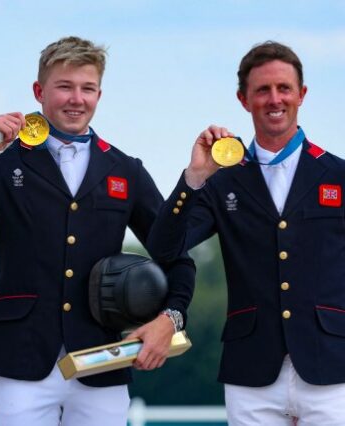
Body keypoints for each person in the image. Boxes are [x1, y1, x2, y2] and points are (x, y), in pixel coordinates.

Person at [0, 36, 194, 425]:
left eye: (87, 88)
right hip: (21, 359)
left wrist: (172, 318)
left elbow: (175, 254)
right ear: (39, 91)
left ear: (100, 94)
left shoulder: (125, 170)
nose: (76, 99)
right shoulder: (3, 162)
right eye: (64, 86)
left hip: (103, 360)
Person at [147, 41, 345, 425]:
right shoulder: (222, 182)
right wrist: (193, 179)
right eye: (262, 90)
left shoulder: (337, 175)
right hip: (251, 370)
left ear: (301, 95)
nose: (275, 99)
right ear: (243, 99)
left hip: (331, 367)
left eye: (284, 88)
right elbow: (164, 247)